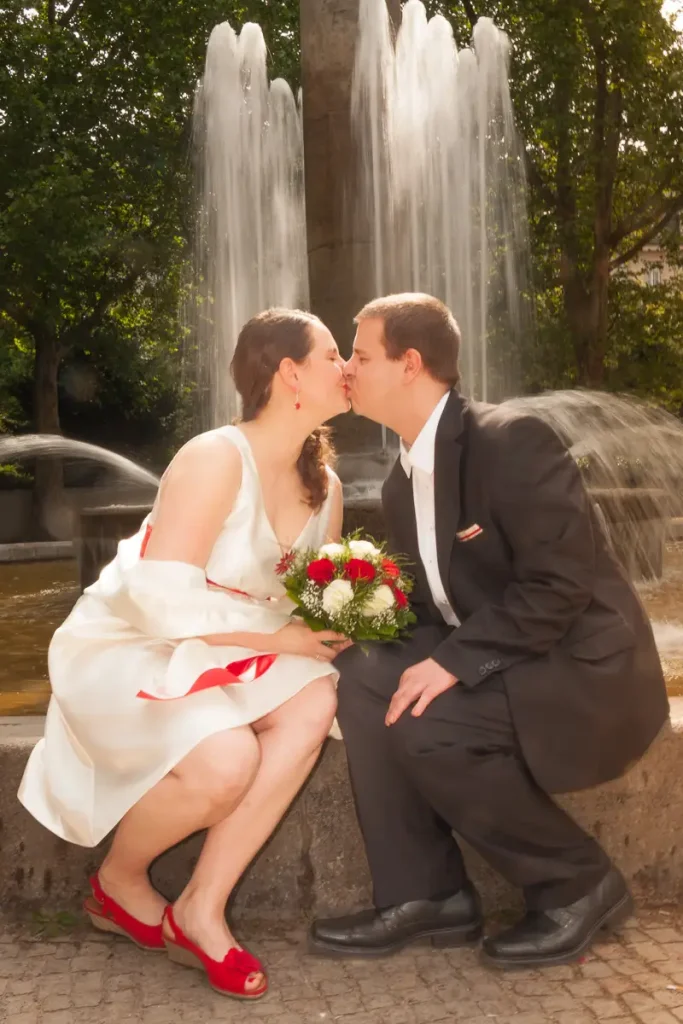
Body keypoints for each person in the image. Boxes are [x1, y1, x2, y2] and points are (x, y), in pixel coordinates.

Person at [309, 292, 669, 969]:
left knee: (428, 721)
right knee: (362, 675)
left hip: (579, 667)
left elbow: (558, 586)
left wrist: (450, 665)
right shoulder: (400, 480)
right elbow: (438, 596)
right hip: (512, 655)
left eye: (359, 354)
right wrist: (355, 615)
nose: (347, 369)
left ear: (409, 363)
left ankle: (576, 884)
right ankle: (427, 894)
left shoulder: (510, 441)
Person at [19, 309, 352, 1000]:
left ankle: (201, 907)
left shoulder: (328, 486)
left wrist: (336, 619)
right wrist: (282, 638)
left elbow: (296, 601)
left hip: (228, 644)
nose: (344, 366)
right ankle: (117, 882)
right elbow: (161, 603)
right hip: (132, 642)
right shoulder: (213, 456)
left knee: (316, 696)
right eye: (331, 355)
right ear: (289, 373)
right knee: (226, 761)